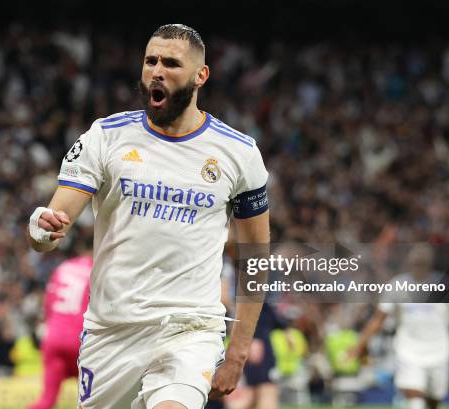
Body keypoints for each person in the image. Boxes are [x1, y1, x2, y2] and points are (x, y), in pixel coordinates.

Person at [28, 23, 270, 409]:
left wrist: (238, 350)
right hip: (112, 333)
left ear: (200, 75)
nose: (157, 70)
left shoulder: (238, 153)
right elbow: (51, 223)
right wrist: (42, 229)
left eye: (171, 63)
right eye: (150, 61)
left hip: (189, 330)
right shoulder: (104, 137)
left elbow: (256, 256)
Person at [349, 245, 449, 409]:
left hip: (439, 351)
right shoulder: (397, 286)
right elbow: (378, 319)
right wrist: (359, 345)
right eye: (416, 262)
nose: (419, 266)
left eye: (422, 263)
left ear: (430, 264)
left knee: (434, 398)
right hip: (408, 351)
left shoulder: (444, 284)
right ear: (410, 262)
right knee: (414, 397)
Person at [28, 252, 92, 409]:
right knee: (92, 402)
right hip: (81, 342)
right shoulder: (96, 269)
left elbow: (48, 305)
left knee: (46, 401)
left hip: (53, 338)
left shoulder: (63, 268)